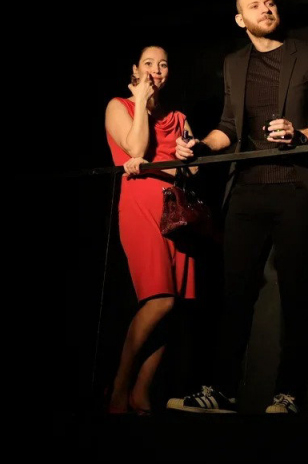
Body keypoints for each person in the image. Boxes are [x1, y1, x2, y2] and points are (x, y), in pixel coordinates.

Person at [167, 0, 308, 415]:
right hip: (247, 190)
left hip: (299, 188)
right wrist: (199, 146)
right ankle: (222, 390)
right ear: (240, 19)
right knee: (234, 293)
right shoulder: (234, 63)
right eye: (255, 5)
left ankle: (288, 394)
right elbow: (229, 127)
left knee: (298, 294)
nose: (266, 9)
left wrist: (300, 135)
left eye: (270, 2)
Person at [104, 44, 199, 415]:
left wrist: (187, 157)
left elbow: (193, 169)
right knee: (160, 299)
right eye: (148, 63)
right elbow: (135, 147)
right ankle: (119, 385)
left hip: (175, 207)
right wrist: (141, 99)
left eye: (162, 64)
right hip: (141, 203)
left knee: (173, 306)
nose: (156, 69)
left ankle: (141, 392)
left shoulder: (178, 116)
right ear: (135, 69)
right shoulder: (119, 106)